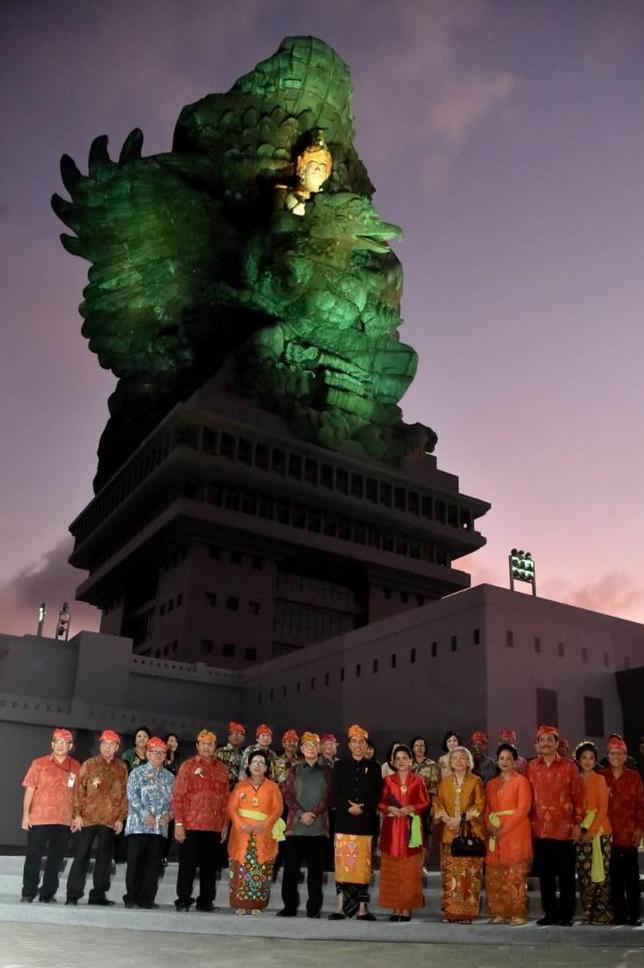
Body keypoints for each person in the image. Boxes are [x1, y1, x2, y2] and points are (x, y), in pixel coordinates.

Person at [526, 724, 585, 926]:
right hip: (540, 828)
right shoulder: (531, 767)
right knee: (545, 874)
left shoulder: (569, 766)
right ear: (537, 744)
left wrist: (578, 824)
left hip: (565, 829)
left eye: (550, 740)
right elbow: (528, 798)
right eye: (542, 740)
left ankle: (566, 915)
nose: (546, 744)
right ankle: (550, 913)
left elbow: (578, 796)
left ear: (557, 743)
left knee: (567, 874)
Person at [66, 729, 128, 906]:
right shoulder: (89, 764)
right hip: (88, 818)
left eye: (111, 745)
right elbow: (78, 791)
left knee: (104, 858)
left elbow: (125, 795)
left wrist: (120, 818)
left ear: (116, 747)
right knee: (82, 855)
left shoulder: (121, 767)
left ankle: (98, 895)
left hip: (109, 820)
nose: (107, 748)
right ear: (100, 745)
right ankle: (73, 895)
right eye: (104, 744)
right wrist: (76, 815)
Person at [20, 727, 80, 902]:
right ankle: (28, 892)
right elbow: (30, 790)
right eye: (58, 742)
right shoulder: (39, 763)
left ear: (70, 746)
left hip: (63, 820)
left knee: (56, 858)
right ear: (52, 744)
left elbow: (78, 795)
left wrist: (76, 816)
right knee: (33, 856)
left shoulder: (76, 766)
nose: (61, 745)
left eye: (65, 742)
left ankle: (47, 894)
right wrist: (26, 814)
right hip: (39, 818)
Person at [172, 728, 229, 912]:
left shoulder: (222, 769)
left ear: (215, 746)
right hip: (191, 824)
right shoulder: (187, 766)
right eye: (203, 743)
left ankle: (205, 901)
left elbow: (226, 800)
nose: (206, 747)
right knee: (187, 864)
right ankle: (183, 899)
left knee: (209, 867)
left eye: (210, 744)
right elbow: (178, 796)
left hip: (213, 826)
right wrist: (179, 824)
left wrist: (225, 824)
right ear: (197, 745)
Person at [330, 724, 382, 920]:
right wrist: (348, 806)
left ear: (366, 745)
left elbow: (378, 794)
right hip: (344, 821)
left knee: (363, 867)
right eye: (354, 741)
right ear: (349, 744)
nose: (358, 745)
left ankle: (362, 908)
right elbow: (334, 793)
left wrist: (363, 807)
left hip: (365, 822)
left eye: (362, 742)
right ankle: (340, 907)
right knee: (343, 866)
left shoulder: (375, 767)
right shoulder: (340, 765)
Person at [278, 732, 332, 918]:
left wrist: (314, 814)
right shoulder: (293, 770)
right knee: (291, 870)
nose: (310, 748)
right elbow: (287, 794)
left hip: (317, 828)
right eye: (306, 745)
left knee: (315, 872)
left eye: (314, 745)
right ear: (301, 749)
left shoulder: (327, 771)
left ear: (320, 748)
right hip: (296, 827)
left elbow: (329, 797)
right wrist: (302, 813)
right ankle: (289, 907)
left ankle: (313, 908)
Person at [227, 749, 284, 915]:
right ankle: (240, 904)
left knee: (261, 867)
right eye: (255, 762)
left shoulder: (273, 787)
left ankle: (257, 905)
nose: (258, 766)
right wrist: (240, 824)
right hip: (241, 833)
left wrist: (265, 824)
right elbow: (231, 808)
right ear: (248, 766)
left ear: (266, 767)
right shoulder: (240, 786)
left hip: (263, 833)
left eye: (261, 763)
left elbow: (278, 809)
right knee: (241, 866)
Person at [434, 745, 485, 923]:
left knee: (468, 875)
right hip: (449, 833)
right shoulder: (445, 782)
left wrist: (461, 819)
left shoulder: (476, 781)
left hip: (469, 834)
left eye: (462, 758)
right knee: (449, 875)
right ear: (450, 762)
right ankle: (451, 913)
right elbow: (438, 803)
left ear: (468, 761)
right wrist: (447, 819)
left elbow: (479, 806)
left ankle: (466, 914)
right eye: (455, 758)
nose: (458, 761)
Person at [378, 744, 429, 921]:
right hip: (392, 828)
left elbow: (424, 802)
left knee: (409, 869)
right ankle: (395, 908)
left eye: (404, 758)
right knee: (393, 868)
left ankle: (407, 908)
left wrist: (411, 808)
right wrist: (389, 808)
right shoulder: (387, 781)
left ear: (411, 761)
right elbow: (381, 803)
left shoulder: (418, 780)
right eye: (397, 758)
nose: (401, 761)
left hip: (410, 827)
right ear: (392, 761)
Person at [123, 736, 175, 909]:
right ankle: (131, 898)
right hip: (138, 826)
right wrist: (145, 814)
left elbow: (176, 801)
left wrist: (170, 815)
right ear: (147, 753)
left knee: (153, 866)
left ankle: (147, 900)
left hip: (160, 829)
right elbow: (131, 795)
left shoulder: (170, 777)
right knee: (135, 864)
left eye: (162, 752)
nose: (159, 755)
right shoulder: (137, 772)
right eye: (154, 752)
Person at [484, 743, 532, 925]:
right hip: (495, 833)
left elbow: (523, 809)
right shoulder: (490, 784)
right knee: (495, 875)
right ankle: (499, 913)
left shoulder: (522, 781)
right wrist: (490, 826)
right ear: (497, 761)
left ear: (515, 762)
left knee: (515, 875)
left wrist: (503, 829)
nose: (504, 762)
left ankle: (517, 913)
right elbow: (487, 809)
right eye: (501, 758)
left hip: (516, 832)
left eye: (508, 759)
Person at [600, 736, 644, 926]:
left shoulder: (634, 777)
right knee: (614, 877)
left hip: (629, 833)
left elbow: (641, 805)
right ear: (607, 755)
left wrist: (639, 828)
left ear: (626, 756)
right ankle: (618, 914)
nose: (616, 756)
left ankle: (634, 915)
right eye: (612, 753)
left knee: (632, 878)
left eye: (620, 753)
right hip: (608, 834)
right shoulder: (602, 777)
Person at [573, 740, 612, 924]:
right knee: (584, 875)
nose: (587, 761)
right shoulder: (574, 779)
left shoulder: (600, 779)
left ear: (595, 760)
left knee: (602, 874)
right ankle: (587, 913)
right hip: (579, 831)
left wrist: (590, 832)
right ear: (578, 760)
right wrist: (579, 830)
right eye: (584, 757)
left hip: (600, 832)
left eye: (591, 758)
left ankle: (603, 914)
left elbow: (603, 808)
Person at [278, 133, 333, 217]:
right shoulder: (285, 193)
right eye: (314, 163)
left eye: (322, 165)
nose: (318, 169)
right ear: (303, 169)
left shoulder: (327, 200)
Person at [410, 735, 439, 870]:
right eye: (417, 746)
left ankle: (422, 865)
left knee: (426, 835)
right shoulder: (408, 764)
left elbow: (434, 787)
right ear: (412, 748)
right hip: (409, 806)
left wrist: (433, 806)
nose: (419, 748)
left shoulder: (432, 765)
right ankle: (411, 863)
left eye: (422, 745)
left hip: (426, 805)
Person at [215, 721, 246, 789]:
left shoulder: (244, 755)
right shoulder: (220, 752)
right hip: (222, 790)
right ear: (228, 737)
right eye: (233, 734)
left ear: (243, 738)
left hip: (240, 791)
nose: (235, 736)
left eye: (239, 734)